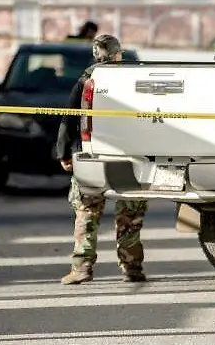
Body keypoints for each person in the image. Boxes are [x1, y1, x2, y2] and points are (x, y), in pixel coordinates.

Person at [54, 34, 149, 284]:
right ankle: (132, 267)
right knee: (129, 214)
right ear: (119, 54)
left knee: (87, 211)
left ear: (96, 54)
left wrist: (63, 152)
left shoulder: (88, 78)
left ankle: (82, 267)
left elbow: (69, 117)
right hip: (129, 157)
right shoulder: (134, 78)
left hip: (92, 155)